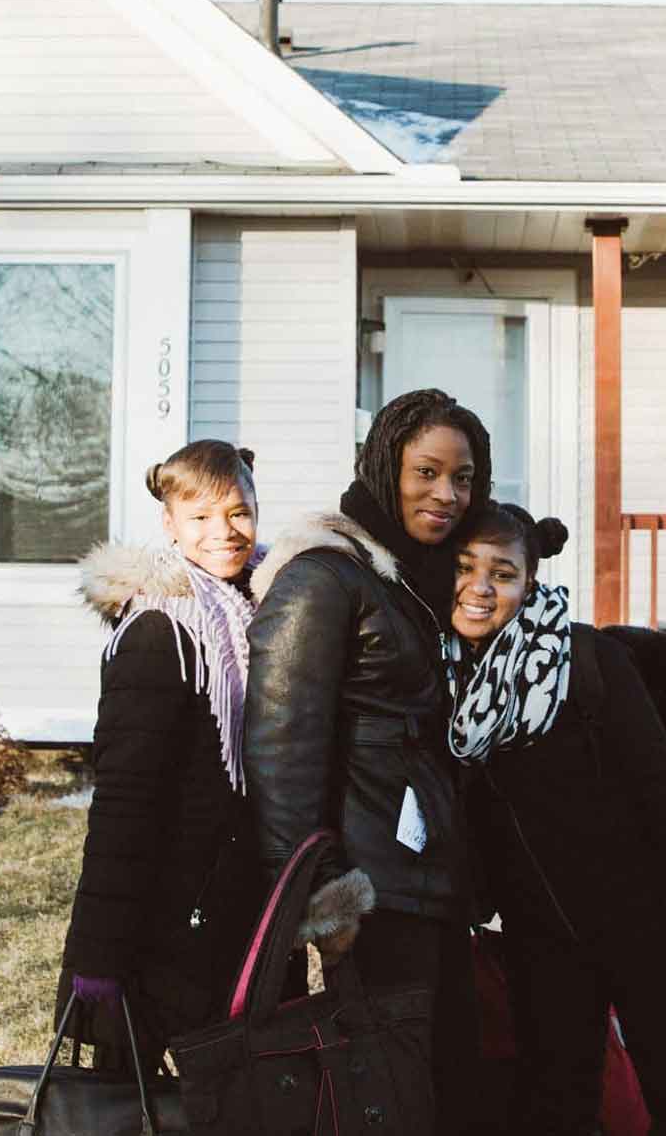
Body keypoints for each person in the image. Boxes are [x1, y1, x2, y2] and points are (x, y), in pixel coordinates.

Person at [244, 388, 494, 1134]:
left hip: (430, 881)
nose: (446, 495)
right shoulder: (323, 577)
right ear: (385, 467)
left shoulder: (423, 577)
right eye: (426, 472)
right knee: (389, 1092)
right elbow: (279, 749)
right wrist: (319, 901)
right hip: (370, 892)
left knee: (444, 1080)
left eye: (464, 477)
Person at [450, 502, 666, 1135]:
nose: (480, 586)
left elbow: (662, 785)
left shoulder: (582, 658)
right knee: (559, 1098)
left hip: (644, 920)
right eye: (464, 567)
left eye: (503, 573)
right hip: (539, 933)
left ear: (529, 584)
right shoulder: (448, 676)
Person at [58, 440, 266, 1061]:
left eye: (238, 512)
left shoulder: (262, 613)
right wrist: (95, 960)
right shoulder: (160, 630)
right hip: (165, 926)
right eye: (200, 516)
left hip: (238, 911)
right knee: (135, 1103)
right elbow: (123, 805)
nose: (222, 532)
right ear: (170, 525)